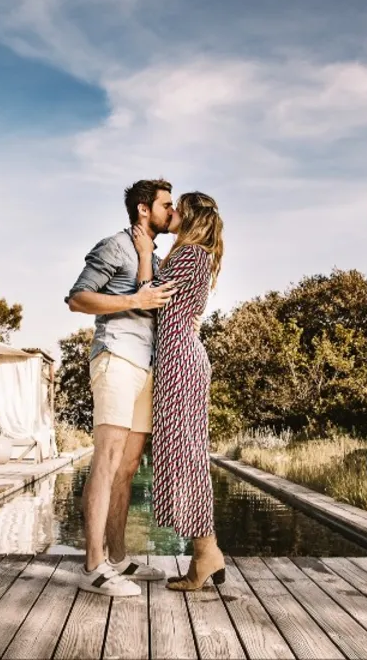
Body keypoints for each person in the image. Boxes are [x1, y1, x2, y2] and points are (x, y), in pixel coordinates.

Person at [65, 178, 177, 596]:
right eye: (167, 205)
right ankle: (93, 567)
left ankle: (117, 558)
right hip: (115, 357)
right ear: (144, 209)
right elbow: (78, 298)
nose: (172, 212)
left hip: (146, 365)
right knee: (107, 461)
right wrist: (134, 300)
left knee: (128, 468)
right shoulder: (114, 246)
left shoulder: (155, 257)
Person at [132, 191, 225, 591]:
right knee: (182, 454)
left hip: (181, 361)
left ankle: (205, 555)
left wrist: (143, 253)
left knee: (186, 455)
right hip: (178, 359)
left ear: (189, 217)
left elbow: (148, 300)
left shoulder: (190, 255)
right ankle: (207, 553)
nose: (171, 213)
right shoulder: (195, 256)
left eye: (177, 209)